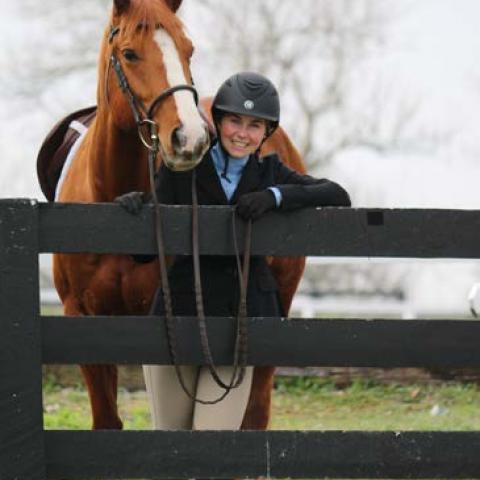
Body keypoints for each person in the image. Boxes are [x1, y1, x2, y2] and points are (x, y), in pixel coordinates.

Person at [116, 71, 351, 431]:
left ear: (266, 133)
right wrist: (136, 212)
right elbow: (146, 254)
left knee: (214, 442)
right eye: (235, 121)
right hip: (179, 316)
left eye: (255, 126)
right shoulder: (183, 168)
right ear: (219, 122)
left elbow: (337, 195)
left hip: (239, 325)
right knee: (170, 439)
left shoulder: (271, 171)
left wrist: (274, 196)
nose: (242, 133)